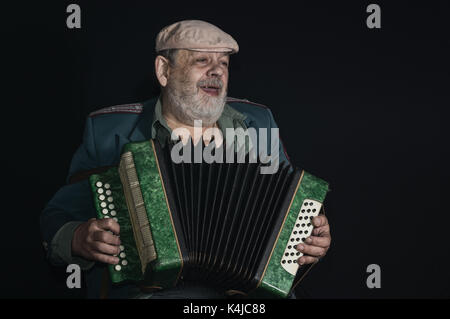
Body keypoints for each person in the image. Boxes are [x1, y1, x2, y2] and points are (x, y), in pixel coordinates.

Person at [40, 20, 331, 299]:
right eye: (202, 61)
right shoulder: (110, 133)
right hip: (154, 292)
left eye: (224, 64)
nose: (216, 72)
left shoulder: (258, 123)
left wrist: (311, 237)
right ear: (163, 70)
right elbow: (57, 218)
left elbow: (289, 208)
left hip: (251, 293)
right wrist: (78, 238)